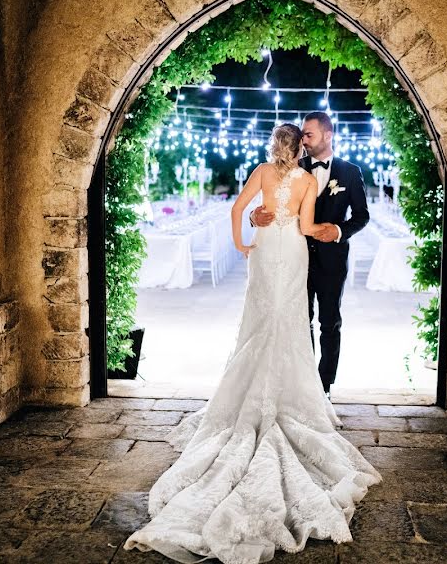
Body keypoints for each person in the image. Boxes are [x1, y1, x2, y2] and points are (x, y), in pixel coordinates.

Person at [124, 123, 381, 564]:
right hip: (295, 251)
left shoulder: (270, 170)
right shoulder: (302, 180)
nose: (308, 141)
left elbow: (240, 209)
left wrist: (250, 237)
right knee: (287, 322)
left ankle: (311, 390)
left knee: (273, 321)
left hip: (269, 252)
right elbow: (300, 225)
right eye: (303, 138)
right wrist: (295, 225)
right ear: (298, 146)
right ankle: (295, 398)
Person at [251, 112, 369, 399]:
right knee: (297, 320)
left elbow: (362, 215)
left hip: (331, 259)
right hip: (294, 257)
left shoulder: (350, 172)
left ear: (327, 135)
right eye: (302, 134)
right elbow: (265, 207)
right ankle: (302, 385)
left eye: (309, 134)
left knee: (330, 322)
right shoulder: (291, 166)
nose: (302, 139)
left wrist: (339, 231)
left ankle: (324, 387)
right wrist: (254, 219)